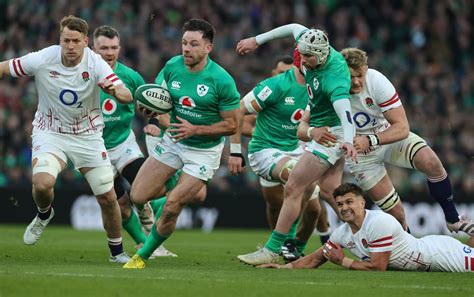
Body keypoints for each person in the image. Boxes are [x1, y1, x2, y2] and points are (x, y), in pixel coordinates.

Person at [0, 16, 132, 263]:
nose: (70, 46)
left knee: (107, 196)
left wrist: (117, 91)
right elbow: (5, 67)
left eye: (75, 41)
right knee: (42, 184)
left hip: (88, 136)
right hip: (51, 132)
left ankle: (117, 252)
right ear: (60, 40)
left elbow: (124, 92)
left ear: (85, 42)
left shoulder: (96, 63)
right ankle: (44, 214)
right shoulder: (43, 58)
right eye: (65, 40)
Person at [123, 18, 240, 269]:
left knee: (173, 205)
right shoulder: (172, 66)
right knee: (138, 195)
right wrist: (150, 112)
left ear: (208, 47)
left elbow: (232, 125)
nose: (187, 49)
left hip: (204, 152)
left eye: (194, 44)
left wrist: (196, 128)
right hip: (174, 142)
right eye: (184, 43)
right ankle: (178, 182)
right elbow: (157, 101)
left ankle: (142, 256)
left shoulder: (222, 80)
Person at [235, 23, 357, 265]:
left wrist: (349, 141)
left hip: (330, 135)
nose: (302, 60)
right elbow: (292, 27)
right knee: (331, 194)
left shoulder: (334, 81)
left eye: (307, 57)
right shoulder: (313, 43)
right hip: (314, 133)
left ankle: (273, 248)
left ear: (321, 55)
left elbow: (346, 115)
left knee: (293, 187)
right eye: (300, 54)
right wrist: (256, 40)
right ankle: (373, 237)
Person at [338, 47, 473, 234]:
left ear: (366, 69)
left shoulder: (377, 81)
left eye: (360, 74)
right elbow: (308, 122)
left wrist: (371, 139)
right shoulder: (331, 90)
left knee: (431, 162)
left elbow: (402, 127)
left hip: (385, 136)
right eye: (350, 76)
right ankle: (410, 253)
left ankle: (452, 218)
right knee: (397, 215)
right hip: (360, 155)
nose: (356, 81)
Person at [93, 25, 177, 257]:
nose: (109, 53)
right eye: (103, 48)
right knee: (118, 206)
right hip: (92, 150)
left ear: (119, 48)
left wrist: (154, 122)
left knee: (148, 187)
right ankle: (145, 243)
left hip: (123, 143)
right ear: (93, 49)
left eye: (113, 48)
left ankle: (147, 209)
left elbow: (150, 104)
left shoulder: (130, 77)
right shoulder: (83, 76)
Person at [228, 54, 322, 261]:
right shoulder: (275, 85)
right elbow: (238, 111)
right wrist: (235, 151)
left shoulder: (319, 87)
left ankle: (293, 246)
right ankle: (283, 243)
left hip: (298, 149)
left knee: (314, 207)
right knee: (287, 188)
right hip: (266, 150)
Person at [259, 183, 474, 272]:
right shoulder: (342, 233)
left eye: (350, 202)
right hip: (427, 250)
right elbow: (315, 258)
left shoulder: (378, 222)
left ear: (363, 203)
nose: (344, 208)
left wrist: (341, 260)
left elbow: (377, 267)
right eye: (340, 204)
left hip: (440, 254)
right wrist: (283, 268)